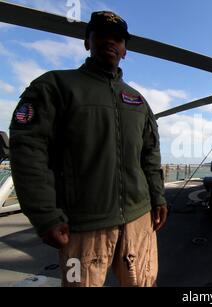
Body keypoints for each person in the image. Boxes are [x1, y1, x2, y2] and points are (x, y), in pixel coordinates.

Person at [9, 11, 168, 287]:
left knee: (145, 282)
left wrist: (158, 197)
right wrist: (45, 215)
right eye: (101, 35)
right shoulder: (54, 87)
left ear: (125, 50)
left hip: (139, 220)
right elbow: (28, 150)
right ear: (87, 42)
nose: (110, 42)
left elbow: (150, 155)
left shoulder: (137, 100)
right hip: (82, 226)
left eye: (117, 38)